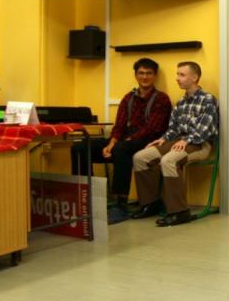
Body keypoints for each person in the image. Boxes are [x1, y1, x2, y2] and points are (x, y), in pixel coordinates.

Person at [71, 58, 172, 223]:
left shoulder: (161, 99)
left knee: (121, 149)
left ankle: (120, 205)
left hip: (148, 141)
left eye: (149, 73)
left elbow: (152, 128)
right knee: (80, 147)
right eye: (141, 73)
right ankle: (85, 197)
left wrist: (121, 143)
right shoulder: (128, 98)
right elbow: (119, 125)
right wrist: (111, 143)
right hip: (124, 141)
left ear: (154, 76)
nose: (145, 77)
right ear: (135, 75)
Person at [131, 61, 218, 227]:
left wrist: (187, 140)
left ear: (195, 78)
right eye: (177, 74)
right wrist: (164, 138)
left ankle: (179, 211)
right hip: (178, 142)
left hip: (200, 144)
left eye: (182, 75)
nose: (177, 78)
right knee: (140, 157)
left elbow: (206, 129)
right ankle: (150, 204)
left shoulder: (208, 100)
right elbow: (173, 128)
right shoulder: (180, 103)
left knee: (169, 161)